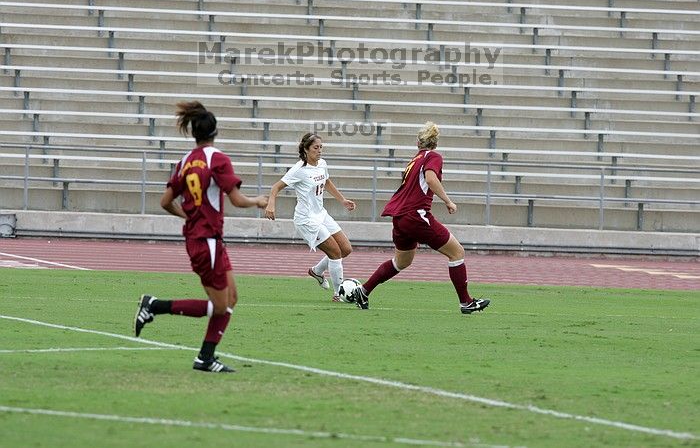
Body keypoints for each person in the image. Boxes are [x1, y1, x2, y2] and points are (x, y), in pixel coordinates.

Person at [133, 101, 268, 373]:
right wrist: (258, 201)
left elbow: (165, 202)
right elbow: (238, 200)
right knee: (220, 306)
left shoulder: (185, 161)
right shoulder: (217, 158)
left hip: (204, 239)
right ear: (215, 132)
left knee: (231, 298)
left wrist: (189, 217)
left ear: (194, 133)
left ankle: (205, 357)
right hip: (207, 241)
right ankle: (154, 306)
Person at [352, 122, 490, 314]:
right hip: (416, 215)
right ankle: (466, 302)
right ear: (435, 143)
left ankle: (363, 291)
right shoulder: (433, 156)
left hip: (399, 217)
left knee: (402, 262)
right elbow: (431, 179)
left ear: (418, 141)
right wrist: (448, 201)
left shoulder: (414, 160)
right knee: (457, 252)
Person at [265, 133, 356, 301]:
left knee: (346, 249)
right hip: (306, 219)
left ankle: (316, 271)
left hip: (321, 214)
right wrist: (271, 204)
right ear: (306, 150)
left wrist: (342, 200)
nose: (319, 150)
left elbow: (326, 182)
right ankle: (338, 294)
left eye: (321, 147)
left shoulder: (322, 164)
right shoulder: (299, 170)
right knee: (335, 253)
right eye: (316, 147)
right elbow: (276, 187)